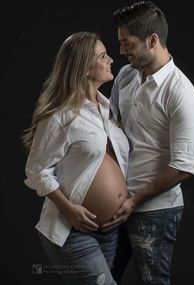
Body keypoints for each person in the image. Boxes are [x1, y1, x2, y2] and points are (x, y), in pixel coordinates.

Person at [102, 1, 194, 285]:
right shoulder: (125, 76)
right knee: (100, 278)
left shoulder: (181, 94)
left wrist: (135, 199)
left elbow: (183, 167)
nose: (120, 51)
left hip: (155, 211)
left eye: (127, 43)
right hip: (117, 202)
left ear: (152, 40)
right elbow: (113, 131)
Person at [22, 31, 130, 285]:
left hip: (110, 230)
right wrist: (69, 210)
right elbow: (36, 170)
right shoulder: (61, 115)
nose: (111, 59)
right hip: (72, 230)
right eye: (103, 56)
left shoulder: (108, 109)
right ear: (83, 68)